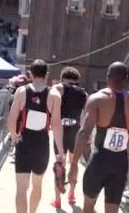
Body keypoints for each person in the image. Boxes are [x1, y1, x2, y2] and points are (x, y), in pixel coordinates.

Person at [68, 62, 129, 213]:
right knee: (112, 209)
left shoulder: (97, 99)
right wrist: (122, 149)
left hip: (99, 160)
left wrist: (74, 163)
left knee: (88, 207)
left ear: (108, 77)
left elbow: (84, 133)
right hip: (120, 163)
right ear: (126, 78)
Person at [8, 59, 65, 213]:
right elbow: (57, 124)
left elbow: (11, 120)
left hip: (24, 143)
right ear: (46, 75)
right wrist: (60, 150)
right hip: (42, 145)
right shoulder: (54, 95)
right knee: (37, 184)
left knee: (21, 188)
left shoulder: (21, 92)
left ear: (30, 74)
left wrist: (14, 139)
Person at [51, 67, 88, 208]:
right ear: (76, 80)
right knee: (74, 164)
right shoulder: (84, 93)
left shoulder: (61, 88)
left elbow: (54, 92)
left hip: (61, 130)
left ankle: (57, 199)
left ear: (63, 78)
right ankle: (72, 194)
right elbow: (85, 116)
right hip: (76, 131)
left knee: (59, 164)